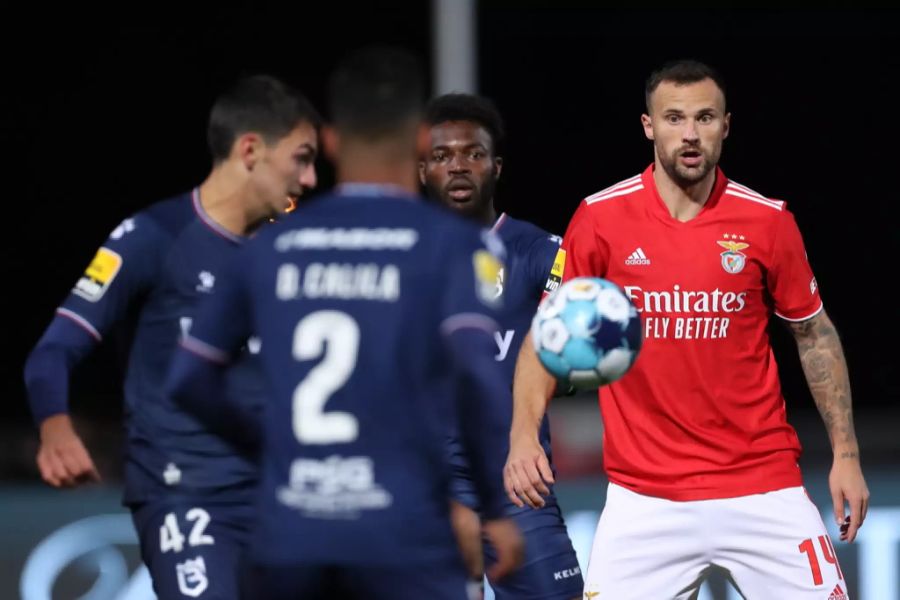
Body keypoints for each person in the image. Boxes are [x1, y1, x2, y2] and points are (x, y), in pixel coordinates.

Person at [166, 46, 524, 599]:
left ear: (330, 142)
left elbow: (188, 380)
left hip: (289, 533)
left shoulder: (270, 246)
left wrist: (269, 445)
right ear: (419, 141)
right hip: (404, 532)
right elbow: (476, 378)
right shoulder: (452, 245)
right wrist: (493, 509)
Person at [504, 59, 870, 599]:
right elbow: (547, 333)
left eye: (704, 117)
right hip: (644, 500)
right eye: (674, 118)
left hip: (763, 488)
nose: (690, 134)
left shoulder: (767, 222)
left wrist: (847, 455)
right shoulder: (600, 219)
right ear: (649, 126)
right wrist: (521, 433)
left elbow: (814, 335)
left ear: (726, 125)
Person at [23, 74, 320, 598]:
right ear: (251, 149)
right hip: (186, 494)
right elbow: (52, 350)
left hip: (279, 495)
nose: (312, 178)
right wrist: (55, 427)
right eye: (302, 157)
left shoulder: (288, 251)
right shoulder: (151, 237)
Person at [420, 93, 582, 600]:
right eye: (443, 156)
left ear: (496, 165)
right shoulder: (398, 260)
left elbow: (575, 355)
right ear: (423, 169)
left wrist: (573, 367)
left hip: (515, 479)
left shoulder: (541, 253)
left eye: (473, 153)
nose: (459, 166)